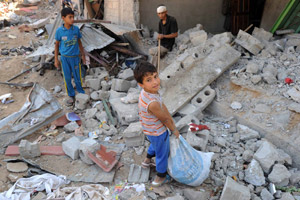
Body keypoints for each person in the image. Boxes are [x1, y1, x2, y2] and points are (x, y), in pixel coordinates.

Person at [134, 60, 179, 186]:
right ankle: (160, 177)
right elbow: (164, 119)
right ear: (141, 84)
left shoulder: (148, 93)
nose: (155, 82)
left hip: (149, 130)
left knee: (155, 145)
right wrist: (174, 129)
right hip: (158, 132)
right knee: (162, 153)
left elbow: (162, 106)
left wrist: (168, 115)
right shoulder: (152, 103)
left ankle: (147, 160)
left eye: (155, 77)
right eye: (149, 80)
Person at [54, 7, 86, 106]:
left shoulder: (76, 29)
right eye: (70, 17)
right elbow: (56, 45)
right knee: (67, 77)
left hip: (75, 58)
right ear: (63, 18)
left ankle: (80, 93)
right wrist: (56, 59)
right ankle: (71, 95)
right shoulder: (59, 31)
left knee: (77, 76)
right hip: (65, 58)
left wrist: (83, 55)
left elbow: (80, 43)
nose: (72, 19)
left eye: (73, 17)